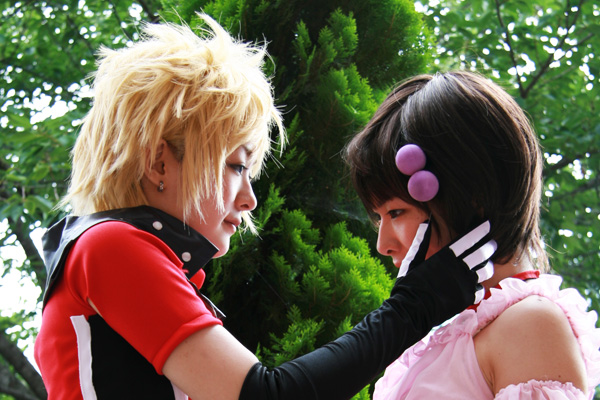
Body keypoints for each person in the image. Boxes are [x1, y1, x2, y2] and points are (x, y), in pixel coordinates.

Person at [33, 15, 494, 400]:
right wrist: (415, 304)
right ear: (159, 163)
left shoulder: (116, 255)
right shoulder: (110, 247)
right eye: (236, 166)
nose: (250, 199)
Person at [345, 70, 600, 399]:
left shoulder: (530, 324)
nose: (383, 245)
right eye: (379, 218)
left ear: (472, 195)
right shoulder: (450, 336)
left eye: (396, 212)